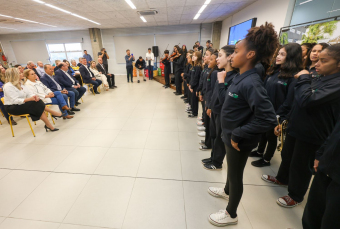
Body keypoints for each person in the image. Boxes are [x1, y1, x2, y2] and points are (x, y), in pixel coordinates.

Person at [207, 22, 278, 227]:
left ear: (250, 54)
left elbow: (267, 118)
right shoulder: (240, 76)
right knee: (231, 170)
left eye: (235, 52)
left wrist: (238, 133)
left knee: (236, 175)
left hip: (239, 139)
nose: (231, 56)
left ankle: (231, 213)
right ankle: (227, 190)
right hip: (231, 135)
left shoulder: (252, 82)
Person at [264, 44, 340, 208]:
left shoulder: (336, 84)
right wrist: (286, 120)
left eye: (323, 60)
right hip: (297, 126)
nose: (317, 64)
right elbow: (297, 102)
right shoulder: (320, 76)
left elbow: (307, 100)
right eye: (317, 59)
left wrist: (305, 79)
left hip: (312, 132)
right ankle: (282, 178)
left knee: (301, 164)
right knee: (287, 155)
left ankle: (296, 195)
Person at [250, 43, 302, 167]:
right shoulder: (274, 71)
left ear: (291, 57)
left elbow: (289, 101)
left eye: (282, 54)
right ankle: (259, 151)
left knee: (271, 136)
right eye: (278, 53)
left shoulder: (294, 76)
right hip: (265, 110)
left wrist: (278, 115)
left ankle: (266, 159)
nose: (278, 56)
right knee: (263, 133)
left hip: (277, 113)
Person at [203, 46, 237, 170]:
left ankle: (217, 162)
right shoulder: (221, 73)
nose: (217, 59)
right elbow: (215, 93)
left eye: (220, 56)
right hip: (216, 109)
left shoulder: (233, 77)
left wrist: (222, 81)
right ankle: (212, 157)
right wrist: (210, 106)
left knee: (219, 138)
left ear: (229, 57)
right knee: (214, 135)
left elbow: (225, 100)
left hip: (223, 112)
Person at [303, 114, 340, 229]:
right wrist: (320, 154)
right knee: (312, 212)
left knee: (331, 221)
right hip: (326, 166)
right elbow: (335, 132)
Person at [188, 51, 203, 118]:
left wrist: (192, 86)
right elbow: (192, 77)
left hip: (195, 86)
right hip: (193, 85)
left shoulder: (198, 67)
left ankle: (195, 113)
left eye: (195, 56)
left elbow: (196, 78)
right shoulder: (194, 66)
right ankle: (193, 110)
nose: (193, 57)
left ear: (198, 58)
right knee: (192, 99)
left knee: (194, 99)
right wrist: (190, 84)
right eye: (193, 56)